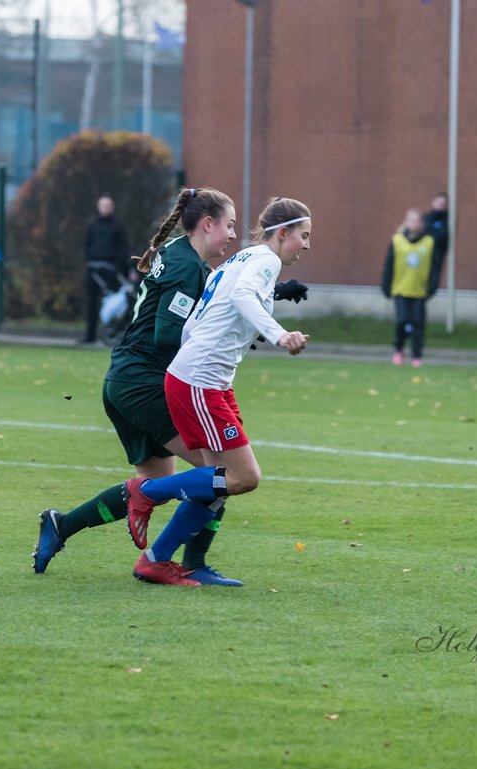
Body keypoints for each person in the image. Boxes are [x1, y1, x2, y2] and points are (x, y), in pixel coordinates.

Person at [34, 187, 296, 586]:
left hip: (126, 380)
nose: (231, 235)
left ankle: (62, 525)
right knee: (220, 476)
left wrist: (273, 295)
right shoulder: (185, 268)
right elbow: (167, 333)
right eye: (227, 225)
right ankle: (190, 563)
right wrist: (217, 339)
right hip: (147, 383)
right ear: (206, 224)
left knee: (179, 483)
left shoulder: (178, 253)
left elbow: (216, 295)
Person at [125, 197, 311, 586]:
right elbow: (243, 298)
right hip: (200, 382)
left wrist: (203, 349)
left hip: (200, 378)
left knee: (216, 481)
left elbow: (205, 310)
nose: (306, 245)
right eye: (303, 236)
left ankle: (158, 560)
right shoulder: (266, 261)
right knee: (245, 477)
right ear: (282, 233)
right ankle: (146, 492)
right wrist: (280, 335)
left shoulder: (240, 259)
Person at [379, 207, 441, 367]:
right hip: (401, 289)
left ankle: (416, 356)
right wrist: (386, 286)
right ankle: (398, 349)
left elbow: (435, 268)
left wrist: (432, 287)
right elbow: (389, 265)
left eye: (417, 220)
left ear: (421, 223)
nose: (414, 223)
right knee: (402, 321)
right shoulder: (397, 240)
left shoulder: (429, 242)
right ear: (406, 222)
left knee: (417, 324)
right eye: (411, 220)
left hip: (419, 291)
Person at [82, 194, 132, 344]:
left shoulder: (117, 226)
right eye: (103, 206)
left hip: (110, 271)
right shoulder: (92, 224)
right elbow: (87, 244)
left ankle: (110, 332)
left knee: (111, 301)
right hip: (93, 269)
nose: (105, 209)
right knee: (92, 303)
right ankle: (89, 336)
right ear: (98, 207)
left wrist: (120, 268)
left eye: (108, 206)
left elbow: (123, 248)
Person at [423, 191, 450, 267]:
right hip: (424, 251)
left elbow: (443, 234)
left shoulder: (447, 219)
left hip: (438, 252)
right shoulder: (426, 218)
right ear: (433, 202)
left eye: (443, 203)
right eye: (438, 202)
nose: (440, 205)